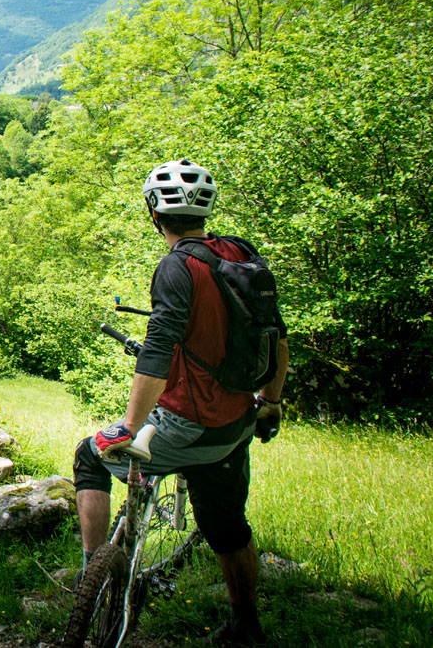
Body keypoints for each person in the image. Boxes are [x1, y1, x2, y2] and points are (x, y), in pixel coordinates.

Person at [72, 159, 289, 647]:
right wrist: (271, 402)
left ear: (154, 213)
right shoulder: (241, 254)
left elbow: (159, 348)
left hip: (187, 424)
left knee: (90, 455)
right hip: (236, 423)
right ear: (206, 210)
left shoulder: (176, 267)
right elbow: (276, 336)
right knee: (228, 528)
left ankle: (93, 578)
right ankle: (244, 626)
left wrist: (129, 426)